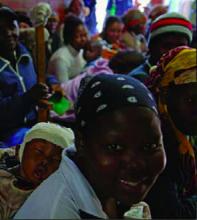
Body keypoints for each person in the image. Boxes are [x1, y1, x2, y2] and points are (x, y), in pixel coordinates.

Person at [15, 73, 166, 219]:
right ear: (81, 143)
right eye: (115, 148)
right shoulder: (56, 212)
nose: (137, 165)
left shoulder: (107, 190)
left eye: (150, 146)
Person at [144, 46, 197, 218]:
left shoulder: (185, 131)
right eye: (190, 100)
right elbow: (174, 215)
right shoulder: (157, 145)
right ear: (165, 96)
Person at [0, 6, 60, 148]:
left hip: (38, 119)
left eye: (11, 27)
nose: (8, 33)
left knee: (68, 114)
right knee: (45, 144)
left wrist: (53, 83)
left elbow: (39, 75)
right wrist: (29, 97)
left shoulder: (24, 52)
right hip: (10, 131)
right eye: (0, 30)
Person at [0, 122, 74, 219]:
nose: (45, 161)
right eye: (38, 151)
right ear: (19, 151)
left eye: (55, 159)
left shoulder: (51, 197)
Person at [129, 12, 193, 82]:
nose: (174, 53)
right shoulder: (139, 80)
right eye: (167, 46)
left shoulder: (184, 77)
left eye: (181, 48)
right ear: (151, 47)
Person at [47, 14, 88, 82]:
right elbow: (64, 89)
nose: (84, 39)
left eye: (85, 35)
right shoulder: (61, 59)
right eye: (80, 36)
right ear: (70, 36)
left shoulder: (81, 52)